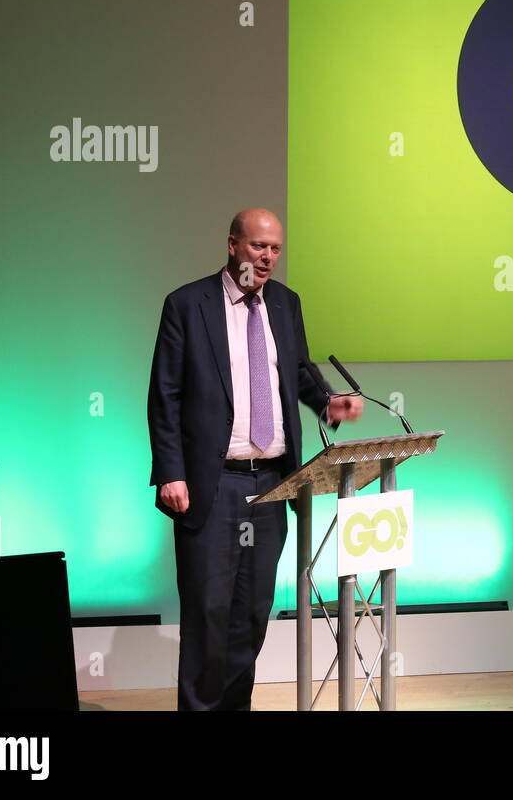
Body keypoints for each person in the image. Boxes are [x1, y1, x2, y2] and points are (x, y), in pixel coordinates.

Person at [147, 207, 363, 710]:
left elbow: (299, 370)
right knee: (208, 612)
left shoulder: (286, 305)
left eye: (275, 249)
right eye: (257, 247)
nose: (267, 258)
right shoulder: (187, 304)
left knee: (251, 614)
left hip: (272, 485)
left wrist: (327, 402)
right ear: (232, 245)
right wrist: (171, 472)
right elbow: (165, 394)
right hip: (212, 484)